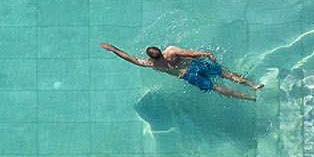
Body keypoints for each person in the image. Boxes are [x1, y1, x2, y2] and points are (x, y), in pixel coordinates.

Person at [99, 42, 262, 101]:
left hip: (188, 75)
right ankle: (252, 85)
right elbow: (191, 53)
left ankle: (248, 97)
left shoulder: (152, 64)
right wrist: (206, 53)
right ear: (160, 51)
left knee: (216, 87)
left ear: (151, 56)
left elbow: (131, 59)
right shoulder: (171, 51)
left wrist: (113, 49)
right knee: (225, 74)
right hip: (195, 65)